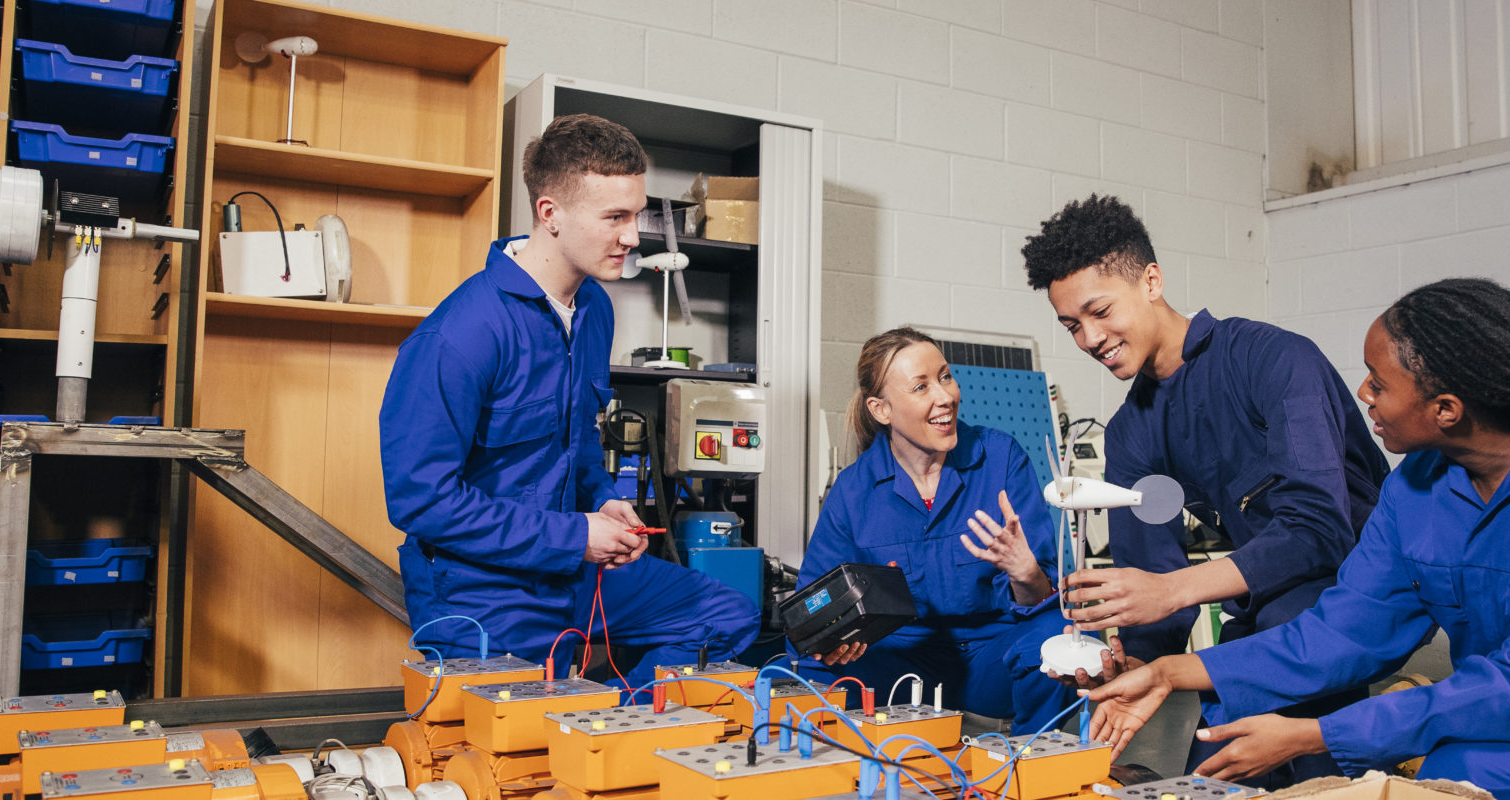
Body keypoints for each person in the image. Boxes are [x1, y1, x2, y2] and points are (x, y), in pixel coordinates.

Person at [1085, 278, 1510, 798]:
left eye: (1379, 383)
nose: (1361, 394)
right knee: (1458, 760)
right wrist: (1174, 671)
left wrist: (1317, 736)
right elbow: (1343, 630)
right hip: (1499, 726)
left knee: (1470, 775)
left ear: (1446, 408)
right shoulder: (1415, 486)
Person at [1021, 195, 1390, 782]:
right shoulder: (1133, 430)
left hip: (1356, 589)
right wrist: (1130, 666)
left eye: (1099, 311)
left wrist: (1171, 592)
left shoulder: (1275, 361)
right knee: (1207, 772)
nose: (1089, 338)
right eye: (1072, 326)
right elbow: (1152, 578)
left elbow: (1319, 532)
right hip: (1268, 604)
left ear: (1151, 280)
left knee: (1308, 767)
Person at [379, 114, 757, 680]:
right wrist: (576, 535)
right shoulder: (461, 334)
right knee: (522, 741)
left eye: (636, 214)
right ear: (549, 213)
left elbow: (576, 440)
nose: (633, 236)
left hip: (571, 571)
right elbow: (420, 501)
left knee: (727, 616)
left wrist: (602, 499)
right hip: (483, 591)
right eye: (615, 217)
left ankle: (624, 721)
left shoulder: (594, 310)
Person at [792, 327, 1072, 734]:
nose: (945, 396)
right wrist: (833, 639)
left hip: (994, 662)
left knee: (1060, 637)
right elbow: (813, 606)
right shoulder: (854, 491)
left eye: (945, 377)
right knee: (799, 668)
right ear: (881, 409)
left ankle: (1033, 766)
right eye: (921, 387)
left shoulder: (1000, 458)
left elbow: (1041, 600)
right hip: (900, 667)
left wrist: (1026, 571)